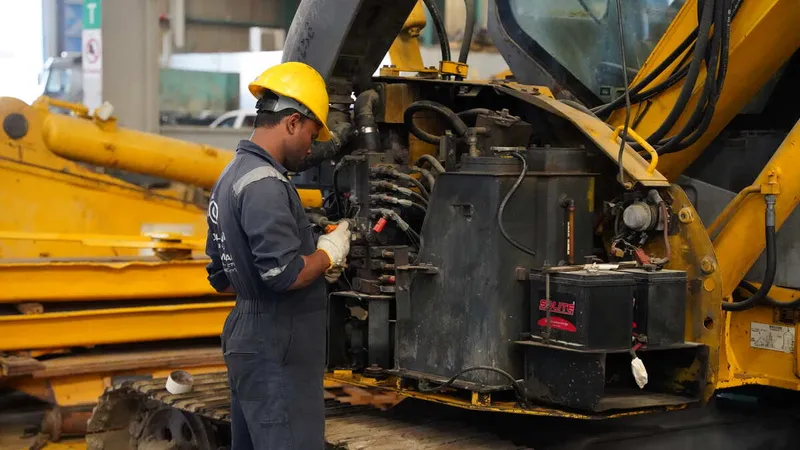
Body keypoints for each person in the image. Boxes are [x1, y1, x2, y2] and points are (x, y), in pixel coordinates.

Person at [204, 61, 352, 450]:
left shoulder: (231, 176)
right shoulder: (266, 184)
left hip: (247, 334)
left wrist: (312, 261)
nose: (310, 146)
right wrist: (328, 254)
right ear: (291, 122)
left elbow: (220, 275)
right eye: (311, 132)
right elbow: (284, 275)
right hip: (277, 344)